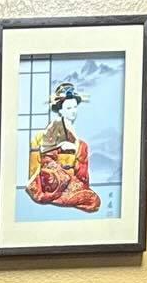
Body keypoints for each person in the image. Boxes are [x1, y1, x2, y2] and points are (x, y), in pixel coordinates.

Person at [26, 80, 102, 213]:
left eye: (74, 107)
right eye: (68, 108)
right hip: (56, 173)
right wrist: (61, 147)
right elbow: (45, 153)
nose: (73, 112)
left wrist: (76, 148)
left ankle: (72, 186)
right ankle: (64, 189)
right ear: (60, 110)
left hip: (69, 172)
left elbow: (78, 149)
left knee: (93, 201)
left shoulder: (70, 126)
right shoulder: (55, 126)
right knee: (91, 200)